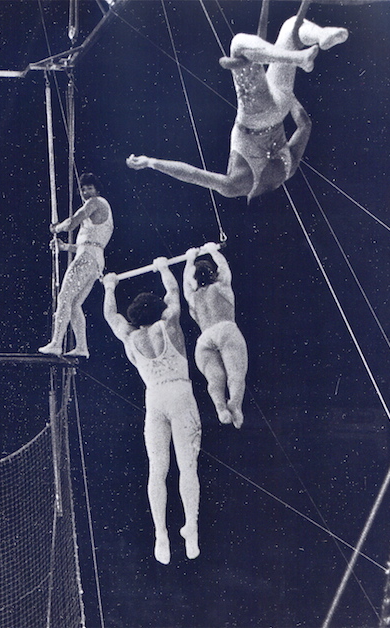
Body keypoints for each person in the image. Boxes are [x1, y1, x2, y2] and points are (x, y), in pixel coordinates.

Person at [126, 16, 348, 202]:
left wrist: (289, 98)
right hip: (257, 116)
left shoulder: (288, 172)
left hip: (280, 106)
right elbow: (192, 175)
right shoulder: (236, 187)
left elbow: (305, 125)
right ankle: (299, 56)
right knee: (239, 45)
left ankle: (320, 37)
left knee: (292, 27)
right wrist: (150, 162)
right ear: (251, 200)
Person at [102, 258, 201, 565]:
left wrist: (109, 286)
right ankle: (191, 529)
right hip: (180, 394)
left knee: (156, 469)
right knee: (187, 467)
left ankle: (161, 534)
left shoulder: (130, 337)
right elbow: (173, 293)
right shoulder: (168, 323)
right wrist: (162, 268)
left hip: (155, 400)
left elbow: (111, 315)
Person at [39, 173, 113, 358]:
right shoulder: (98, 208)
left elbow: (72, 223)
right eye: (83, 189)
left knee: (65, 297)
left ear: (96, 189)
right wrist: (64, 247)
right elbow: (88, 243)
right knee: (74, 303)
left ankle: (56, 343)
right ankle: (81, 347)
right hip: (93, 257)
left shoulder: (95, 202)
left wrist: (56, 228)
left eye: (89, 188)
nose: (86, 192)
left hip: (88, 257)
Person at [183, 243, 248, 429]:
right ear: (214, 274)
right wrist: (213, 250)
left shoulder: (192, 296)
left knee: (215, 379)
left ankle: (220, 407)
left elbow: (186, 280)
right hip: (225, 329)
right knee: (235, 375)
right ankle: (235, 405)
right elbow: (224, 266)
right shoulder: (222, 286)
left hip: (204, 339)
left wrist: (189, 259)